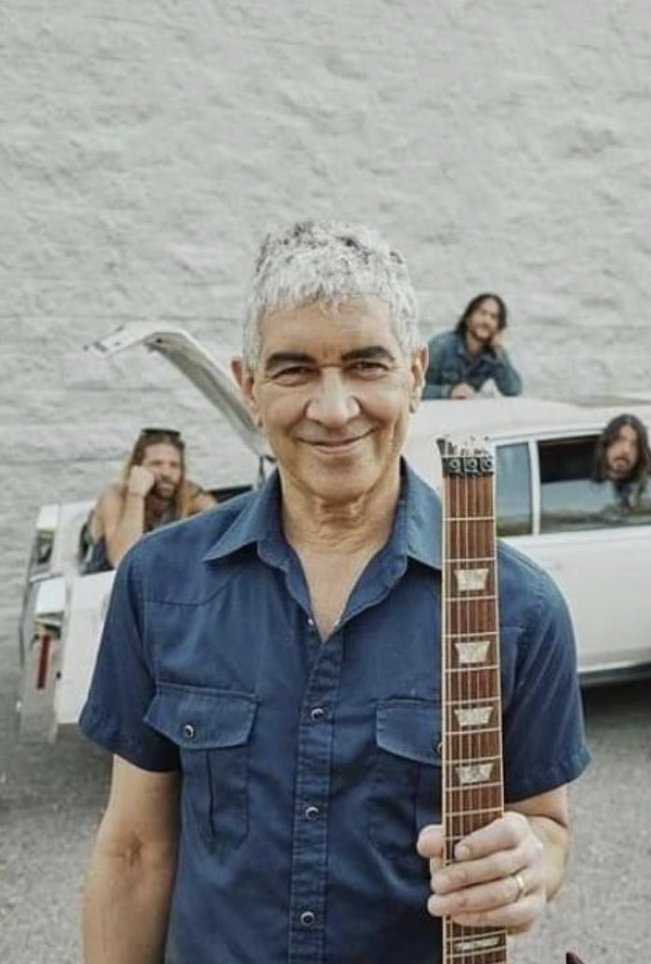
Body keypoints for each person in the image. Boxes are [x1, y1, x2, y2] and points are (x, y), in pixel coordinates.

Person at [79, 220, 590, 964]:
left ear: (415, 374)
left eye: (365, 365)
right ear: (249, 386)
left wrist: (529, 866)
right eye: (292, 370)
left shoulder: (518, 609)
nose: (333, 407)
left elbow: (546, 824)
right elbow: (132, 850)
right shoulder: (161, 583)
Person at [81, 427, 216, 572]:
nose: (166, 473)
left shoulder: (188, 495)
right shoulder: (115, 496)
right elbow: (122, 561)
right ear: (138, 467)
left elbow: (222, 526)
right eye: (156, 464)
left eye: (174, 465)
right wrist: (136, 495)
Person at [422, 292, 523, 399]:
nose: (486, 321)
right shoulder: (441, 347)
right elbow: (411, 389)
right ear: (468, 318)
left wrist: (498, 352)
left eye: (493, 317)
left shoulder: (493, 355)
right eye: (482, 313)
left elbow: (513, 390)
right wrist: (449, 392)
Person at [591, 413, 651, 521]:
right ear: (607, 444)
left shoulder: (650, 490)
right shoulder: (587, 488)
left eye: (634, 444)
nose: (626, 450)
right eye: (620, 440)